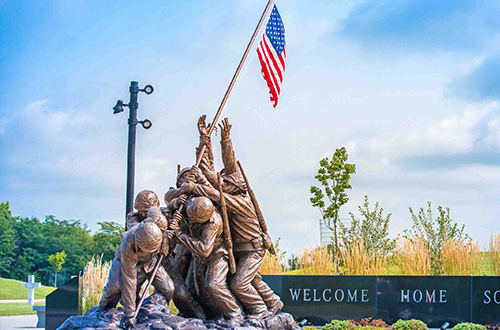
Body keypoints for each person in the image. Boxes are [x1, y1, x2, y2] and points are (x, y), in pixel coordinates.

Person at [181, 116, 283, 319]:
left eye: (227, 182)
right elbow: (213, 169)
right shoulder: (232, 191)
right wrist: (208, 140)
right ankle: (273, 302)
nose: (222, 182)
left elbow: (217, 193)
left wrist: (195, 187)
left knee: (239, 283)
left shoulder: (241, 201)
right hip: (240, 249)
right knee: (253, 280)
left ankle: (260, 312)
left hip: (252, 249)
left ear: (235, 187)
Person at [175, 196, 243, 324]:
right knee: (193, 288)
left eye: (196, 221)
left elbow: (204, 249)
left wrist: (179, 235)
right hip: (198, 257)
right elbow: (171, 202)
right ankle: (207, 316)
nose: (193, 222)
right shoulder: (190, 206)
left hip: (216, 254)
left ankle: (235, 314)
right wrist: (176, 203)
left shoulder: (213, 222)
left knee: (214, 284)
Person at [98, 220, 174, 328]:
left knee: (168, 288)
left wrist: (166, 244)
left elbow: (169, 237)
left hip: (150, 261)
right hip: (124, 261)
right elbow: (129, 280)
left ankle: (150, 309)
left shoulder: (159, 230)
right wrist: (129, 315)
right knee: (114, 287)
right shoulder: (127, 245)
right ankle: (103, 310)